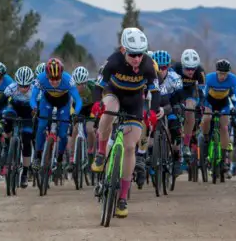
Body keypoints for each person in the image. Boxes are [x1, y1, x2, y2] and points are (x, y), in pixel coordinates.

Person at [91, 27, 159, 219]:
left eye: (140, 54)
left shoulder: (148, 66)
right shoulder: (113, 61)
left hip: (135, 104)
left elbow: (155, 92)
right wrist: (97, 103)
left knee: (130, 148)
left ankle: (122, 198)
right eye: (132, 54)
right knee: (109, 111)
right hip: (114, 94)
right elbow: (98, 85)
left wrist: (152, 112)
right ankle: (101, 152)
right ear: (123, 50)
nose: (137, 59)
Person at [30, 58, 82, 173]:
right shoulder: (41, 78)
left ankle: (59, 157)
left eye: (57, 79)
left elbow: (78, 101)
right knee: (42, 125)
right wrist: (34, 108)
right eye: (51, 79)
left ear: (61, 75)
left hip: (63, 104)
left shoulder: (68, 80)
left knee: (63, 134)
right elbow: (33, 97)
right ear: (46, 75)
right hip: (47, 101)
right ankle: (37, 156)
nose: (54, 82)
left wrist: (75, 114)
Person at [0, 66, 35, 188]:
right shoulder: (11, 87)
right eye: (20, 86)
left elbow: (41, 106)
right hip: (14, 108)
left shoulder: (35, 90)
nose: (23, 89)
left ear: (30, 84)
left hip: (28, 111)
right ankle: (7, 143)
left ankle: (25, 173)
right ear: (17, 83)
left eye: (26, 86)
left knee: (27, 140)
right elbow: (0, 102)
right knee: (7, 116)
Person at [201, 59, 236, 175]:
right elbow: (203, 95)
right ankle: (205, 138)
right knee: (207, 118)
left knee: (224, 127)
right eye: (220, 73)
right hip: (209, 102)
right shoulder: (209, 78)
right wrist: (203, 106)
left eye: (225, 74)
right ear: (216, 72)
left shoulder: (233, 79)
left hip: (223, 103)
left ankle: (223, 159)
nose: (223, 76)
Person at [151, 50, 184, 175]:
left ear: (168, 67)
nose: (161, 70)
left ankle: (176, 159)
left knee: (175, 128)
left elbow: (180, 97)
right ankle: (150, 155)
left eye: (164, 67)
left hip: (171, 104)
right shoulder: (150, 76)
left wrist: (178, 107)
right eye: (158, 67)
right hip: (156, 104)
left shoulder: (174, 78)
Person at [171, 48, 206, 161]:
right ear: (182, 66)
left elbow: (202, 92)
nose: (191, 72)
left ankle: (186, 145)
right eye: (187, 69)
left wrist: (201, 105)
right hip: (176, 92)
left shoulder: (200, 72)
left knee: (190, 109)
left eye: (193, 69)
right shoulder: (175, 69)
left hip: (190, 92)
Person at [67, 66, 99, 173]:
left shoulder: (92, 87)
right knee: (75, 129)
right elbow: (69, 104)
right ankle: (71, 159)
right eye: (77, 84)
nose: (80, 86)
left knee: (90, 129)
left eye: (82, 84)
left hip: (90, 108)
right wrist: (71, 115)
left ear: (86, 82)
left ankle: (90, 152)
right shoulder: (70, 88)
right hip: (77, 108)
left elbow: (97, 103)